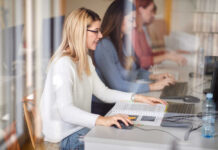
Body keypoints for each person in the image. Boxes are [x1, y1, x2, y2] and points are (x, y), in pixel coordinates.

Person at [40, 7, 167, 150]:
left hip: (79, 129)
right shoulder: (63, 64)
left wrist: (138, 98)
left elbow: (103, 92)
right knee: (118, 144)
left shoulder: (85, 60)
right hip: (64, 138)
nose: (100, 36)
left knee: (125, 137)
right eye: (96, 31)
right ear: (80, 31)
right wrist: (102, 120)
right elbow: (66, 111)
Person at [92, 0, 174, 115]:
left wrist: (155, 76)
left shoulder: (124, 40)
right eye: (131, 20)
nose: (135, 25)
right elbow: (117, 85)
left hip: (122, 100)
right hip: (104, 108)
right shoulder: (104, 46)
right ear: (118, 19)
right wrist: (152, 86)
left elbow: (134, 70)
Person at [132, 0, 187, 69]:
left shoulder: (141, 30)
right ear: (140, 10)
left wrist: (168, 53)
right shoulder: (133, 31)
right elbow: (141, 62)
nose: (153, 15)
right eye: (151, 11)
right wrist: (166, 56)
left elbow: (149, 55)